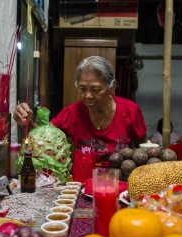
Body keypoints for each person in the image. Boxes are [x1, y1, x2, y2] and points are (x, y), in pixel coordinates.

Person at [13, 56, 147, 164]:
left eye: (95, 89)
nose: (88, 96)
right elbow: (43, 139)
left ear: (112, 86)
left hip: (119, 185)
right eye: (82, 89)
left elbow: (144, 152)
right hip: (80, 185)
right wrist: (27, 122)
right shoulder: (72, 113)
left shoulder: (130, 111)